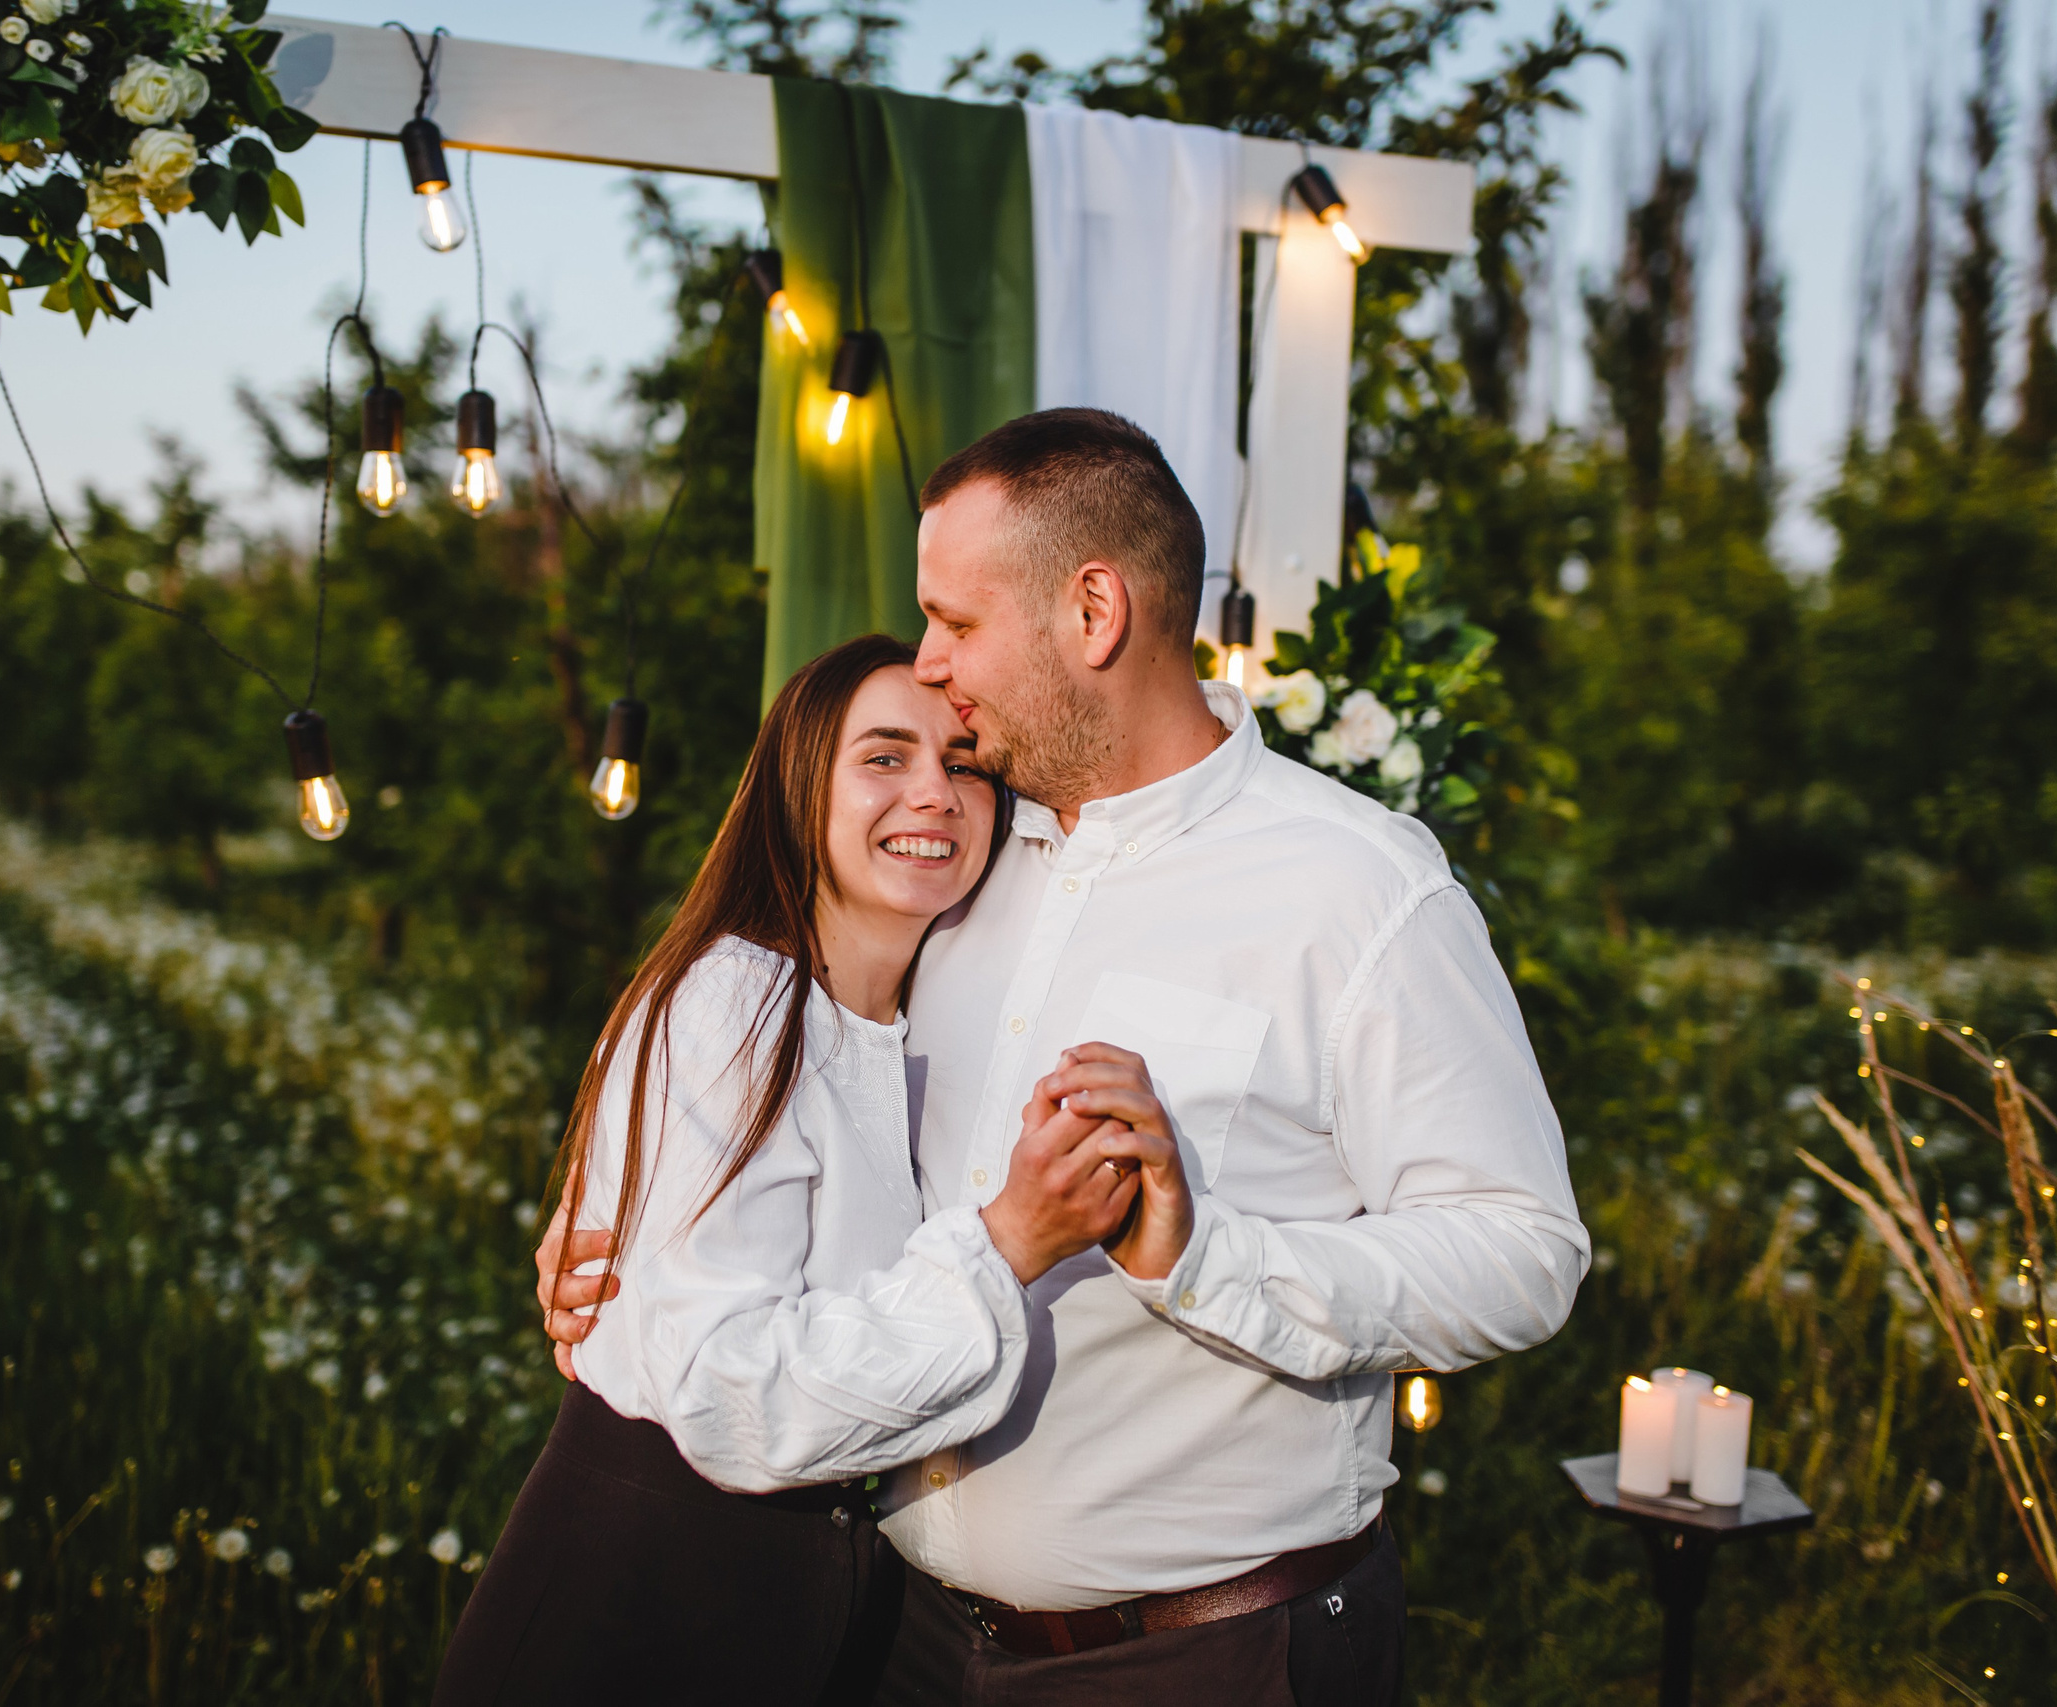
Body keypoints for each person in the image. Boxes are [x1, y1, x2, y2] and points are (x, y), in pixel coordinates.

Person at [542, 409, 1590, 1705]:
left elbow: (1525, 1250)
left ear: (1093, 609)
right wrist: (644, 1248)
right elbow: (832, 1135)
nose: (931, 661)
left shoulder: (1359, 891)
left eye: (956, 621)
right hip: (901, 1637)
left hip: (1206, 1657)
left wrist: (1205, 1256)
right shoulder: (964, 863)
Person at [434, 633, 1195, 1707]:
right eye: (883, 758)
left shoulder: (922, 1025)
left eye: (964, 764)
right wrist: (1010, 1243)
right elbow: (729, 1393)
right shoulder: (731, 1006)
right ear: (799, 790)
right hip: (646, 1599)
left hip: (822, 1610)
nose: (933, 791)